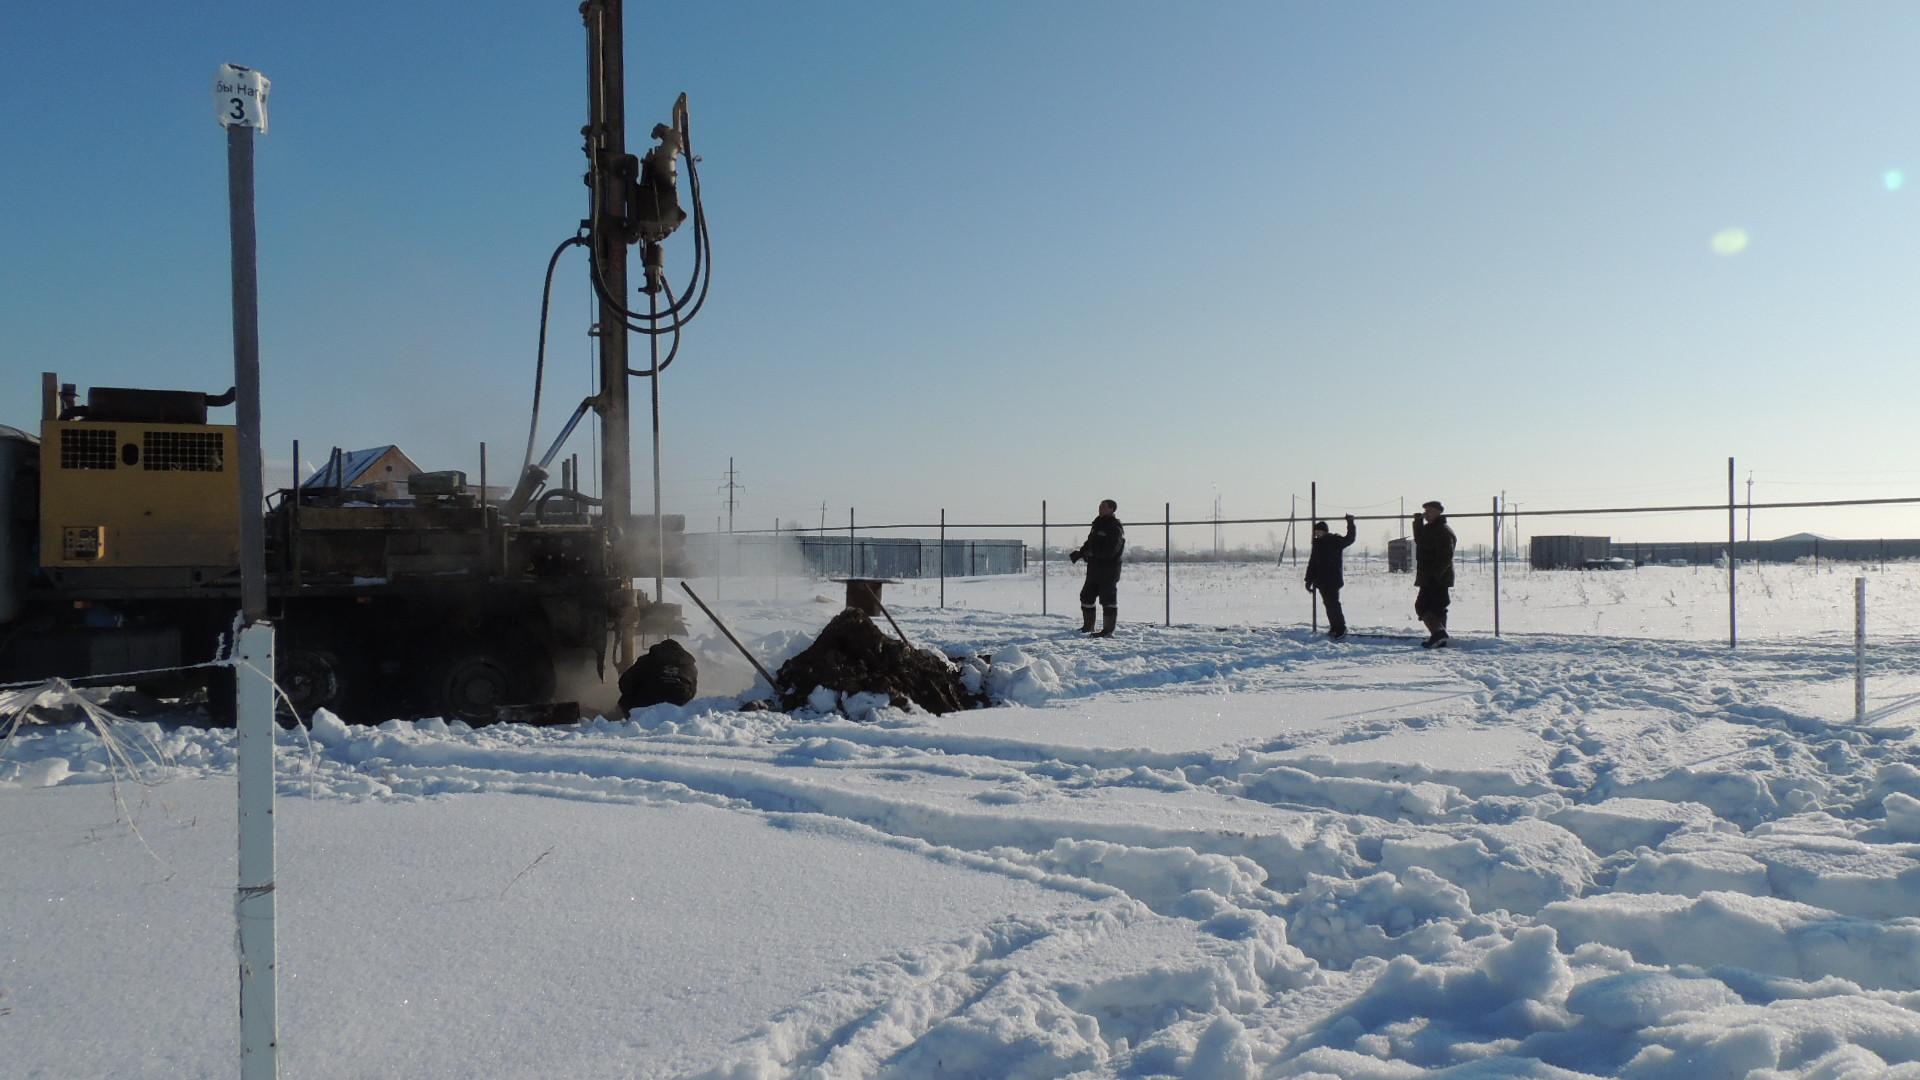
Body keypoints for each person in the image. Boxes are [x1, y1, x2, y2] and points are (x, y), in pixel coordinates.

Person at [1069, 499, 1125, 637]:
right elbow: (1090, 542)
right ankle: (1088, 627)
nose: (1100, 509)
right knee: (1086, 596)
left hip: (1109, 570)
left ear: (1111, 509)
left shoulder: (1115, 527)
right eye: (1099, 506)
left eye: (1103, 507)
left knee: (1108, 599)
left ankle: (1107, 631)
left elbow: (1112, 550)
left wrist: (1093, 553)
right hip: (1094, 569)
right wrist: (1081, 552)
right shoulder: (1097, 524)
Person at [1304, 514, 1357, 639]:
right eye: (1315, 532)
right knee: (1328, 605)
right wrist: (1308, 580)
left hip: (1332, 580)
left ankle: (1341, 628)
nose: (1317, 534)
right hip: (1321, 581)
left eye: (1319, 532)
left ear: (1325, 532)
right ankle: (1334, 627)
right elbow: (1313, 563)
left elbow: (1350, 539)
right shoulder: (1317, 544)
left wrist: (1350, 523)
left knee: (1333, 604)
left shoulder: (1334, 541)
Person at [1412, 499, 1456, 648]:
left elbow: (1446, 556)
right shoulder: (1430, 529)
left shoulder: (1442, 531)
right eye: (1425, 512)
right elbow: (1420, 540)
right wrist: (1417, 523)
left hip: (1437, 577)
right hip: (1429, 576)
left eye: (1429, 511)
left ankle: (1439, 634)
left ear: (1438, 512)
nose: (1426, 515)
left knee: (1424, 606)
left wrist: (1435, 575)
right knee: (1436, 608)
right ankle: (1439, 638)